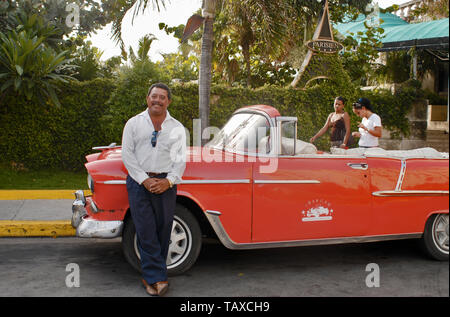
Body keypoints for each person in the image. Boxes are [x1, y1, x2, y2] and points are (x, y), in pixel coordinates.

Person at [121, 83, 186, 296]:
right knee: (145, 230)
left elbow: (180, 159)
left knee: (163, 229)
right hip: (139, 184)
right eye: (154, 96)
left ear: (168, 101)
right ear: (147, 98)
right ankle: (156, 278)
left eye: (162, 97)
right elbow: (127, 155)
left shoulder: (176, 127)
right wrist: (144, 180)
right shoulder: (133, 124)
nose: (157, 100)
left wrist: (169, 181)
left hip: (165, 184)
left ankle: (154, 275)